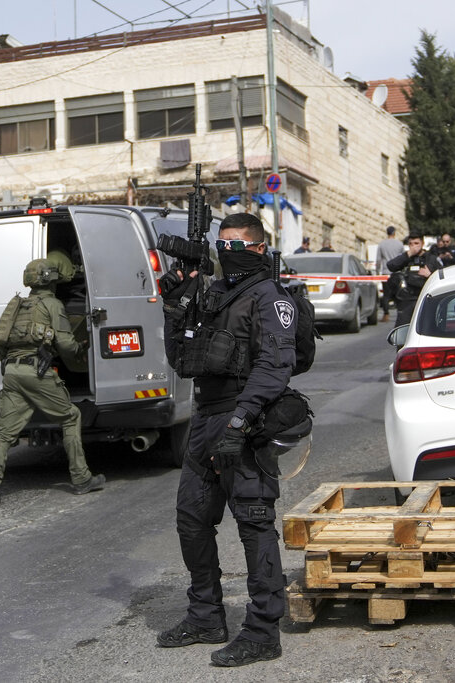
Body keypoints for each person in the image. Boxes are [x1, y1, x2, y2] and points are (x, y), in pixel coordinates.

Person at [158, 212, 295, 667]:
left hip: (245, 421)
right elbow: (182, 359)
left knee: (254, 523)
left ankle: (262, 630)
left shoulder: (269, 297)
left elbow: (275, 366)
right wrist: (174, 306)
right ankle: (205, 616)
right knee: (191, 518)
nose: (227, 251)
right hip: (205, 419)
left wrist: (241, 422)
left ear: (258, 248)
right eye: (223, 243)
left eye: (237, 244)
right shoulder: (213, 295)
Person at [0, 259, 103, 507]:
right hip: (35, 372)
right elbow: (66, 345)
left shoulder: (18, 305)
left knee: (4, 433)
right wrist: (82, 349)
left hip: (12, 372)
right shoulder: (52, 304)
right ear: (51, 280)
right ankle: (81, 479)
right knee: (71, 416)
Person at [386, 232, 441, 326]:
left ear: (422, 244)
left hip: (425, 297)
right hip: (408, 299)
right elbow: (391, 266)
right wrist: (408, 254)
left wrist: (430, 275)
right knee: (402, 327)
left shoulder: (431, 258)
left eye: (416, 243)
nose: (413, 246)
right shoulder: (407, 258)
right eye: (411, 244)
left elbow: (441, 276)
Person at [375, 225, 405, 322]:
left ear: (387, 233)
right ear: (394, 233)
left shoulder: (382, 244)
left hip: (385, 272)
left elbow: (379, 259)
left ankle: (386, 314)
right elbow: (403, 258)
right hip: (397, 272)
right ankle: (400, 313)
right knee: (398, 293)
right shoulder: (399, 244)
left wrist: (377, 270)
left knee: (386, 295)